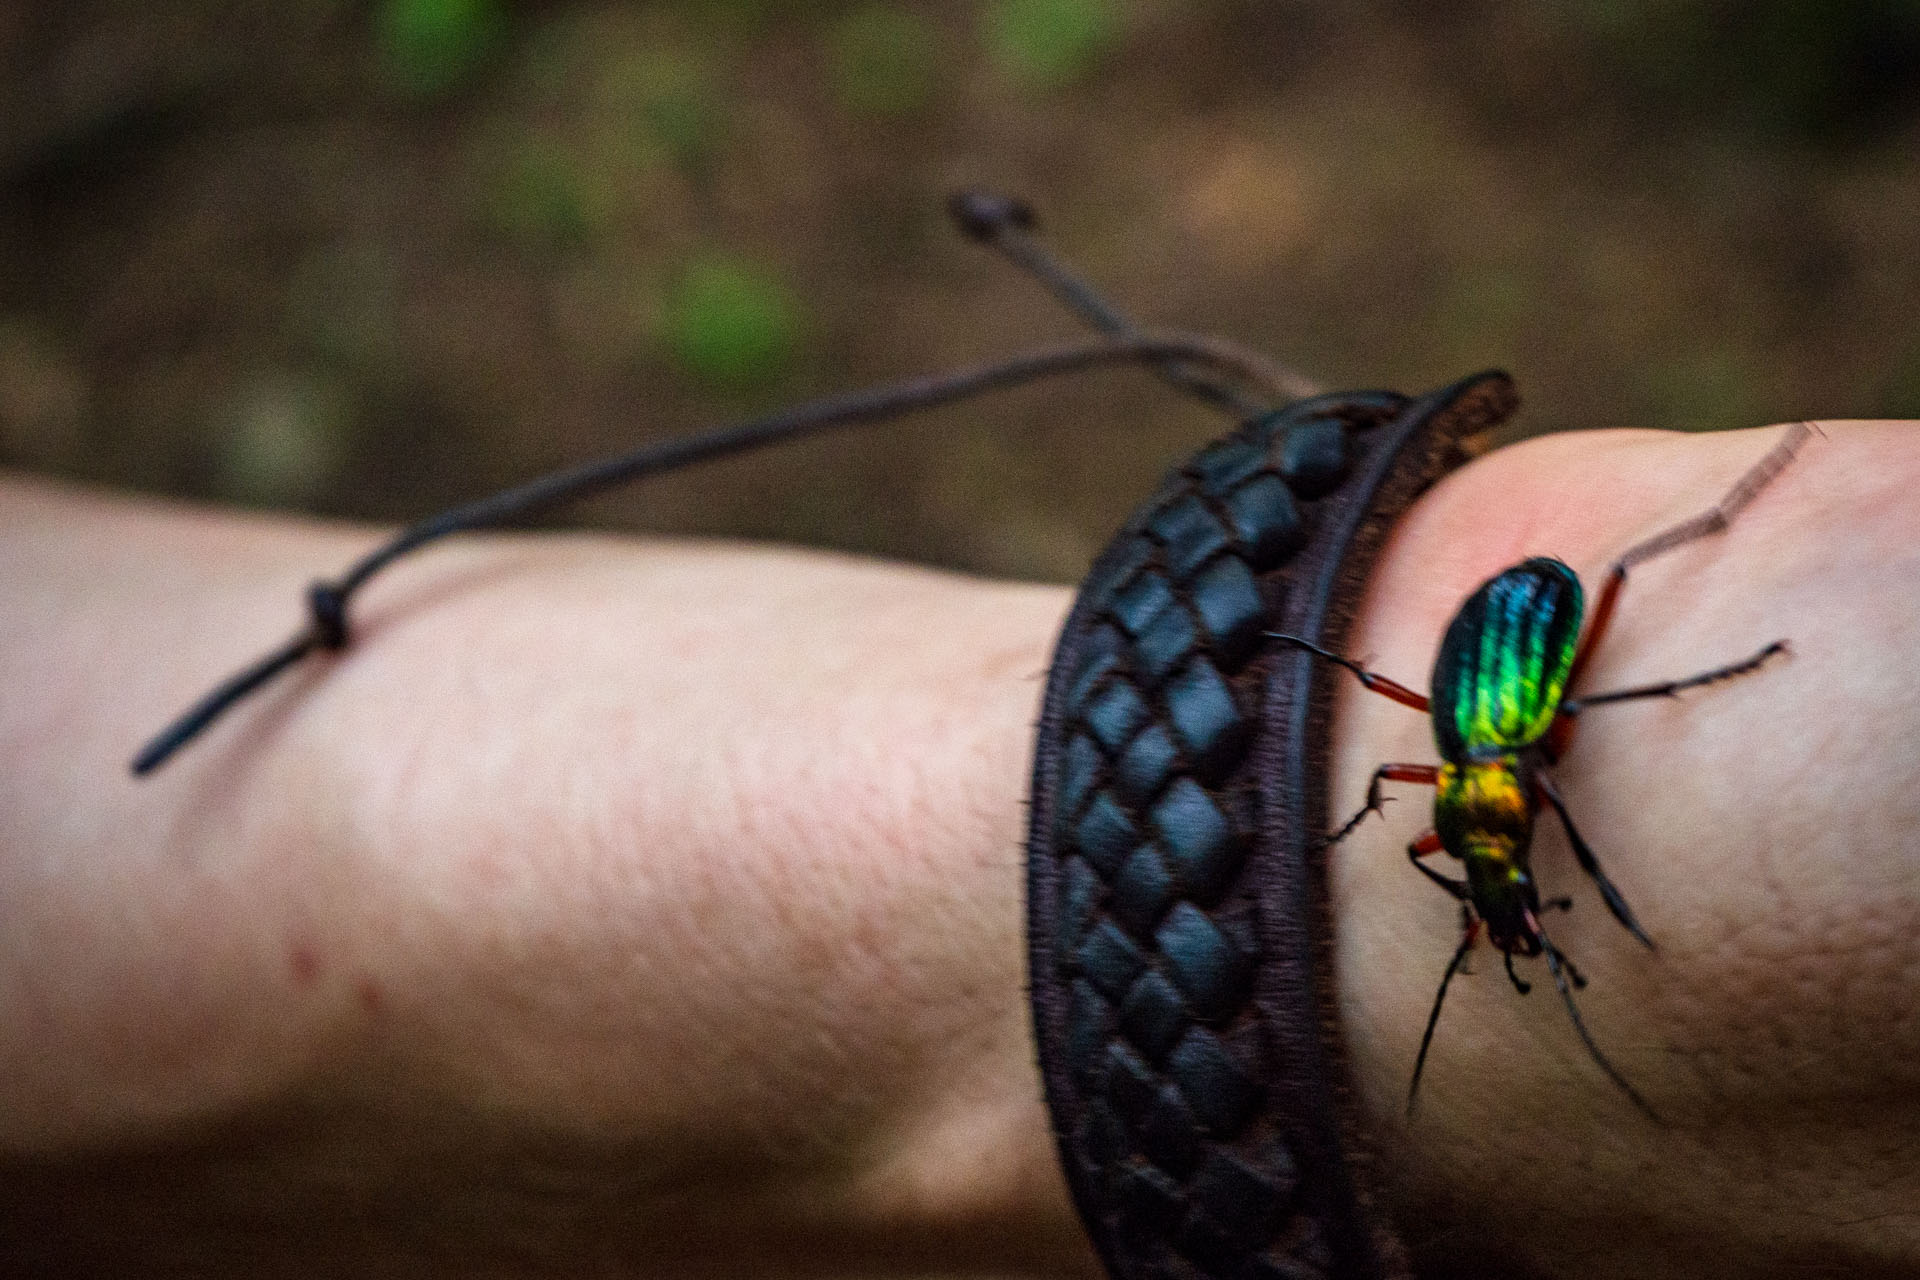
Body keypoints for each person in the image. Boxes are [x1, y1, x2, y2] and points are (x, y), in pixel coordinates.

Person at [2, 421, 1915, 1278]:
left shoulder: (1481, 781)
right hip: (1475, 666)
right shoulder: (1475, 795)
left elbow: (1488, 803)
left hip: (1492, 649)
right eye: (1500, 876)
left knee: (1637, 639)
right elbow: (1459, 830)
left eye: (1493, 874)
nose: (1496, 871)